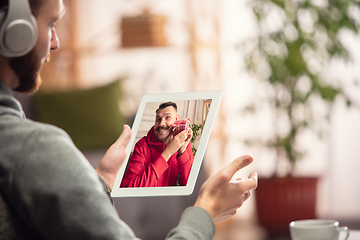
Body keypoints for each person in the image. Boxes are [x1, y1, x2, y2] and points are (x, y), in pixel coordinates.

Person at [0, 0, 258, 239]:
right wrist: (206, 212)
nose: (56, 42)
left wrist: (100, 181)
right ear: (16, 29)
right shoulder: (35, 148)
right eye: (51, 24)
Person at [121, 102, 194, 187]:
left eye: (167, 117)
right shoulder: (142, 146)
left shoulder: (184, 144)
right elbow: (128, 187)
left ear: (176, 119)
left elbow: (189, 186)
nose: (161, 124)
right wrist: (168, 152)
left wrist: (182, 152)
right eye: (158, 119)